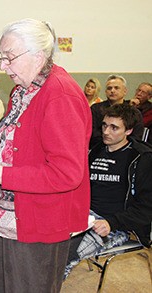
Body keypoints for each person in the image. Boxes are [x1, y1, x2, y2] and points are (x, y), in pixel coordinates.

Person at [0, 19, 92, 292]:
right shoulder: (22, 90)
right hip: (6, 215)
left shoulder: (60, 96)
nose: (2, 66)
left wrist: (0, 174)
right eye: (1, 57)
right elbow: (19, 146)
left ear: (38, 55)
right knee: (1, 285)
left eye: (9, 58)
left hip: (37, 222)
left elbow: (66, 173)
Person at [64, 103, 152, 279]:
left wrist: (111, 223)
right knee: (44, 244)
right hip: (84, 216)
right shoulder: (96, 150)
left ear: (128, 131)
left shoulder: (142, 158)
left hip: (117, 225)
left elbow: (146, 208)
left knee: (64, 258)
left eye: (114, 128)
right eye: (104, 125)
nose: (106, 132)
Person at [90, 75, 143, 148]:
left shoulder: (133, 112)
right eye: (109, 88)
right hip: (99, 147)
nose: (112, 91)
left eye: (116, 88)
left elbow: (136, 136)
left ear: (125, 91)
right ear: (105, 92)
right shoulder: (96, 108)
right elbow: (92, 132)